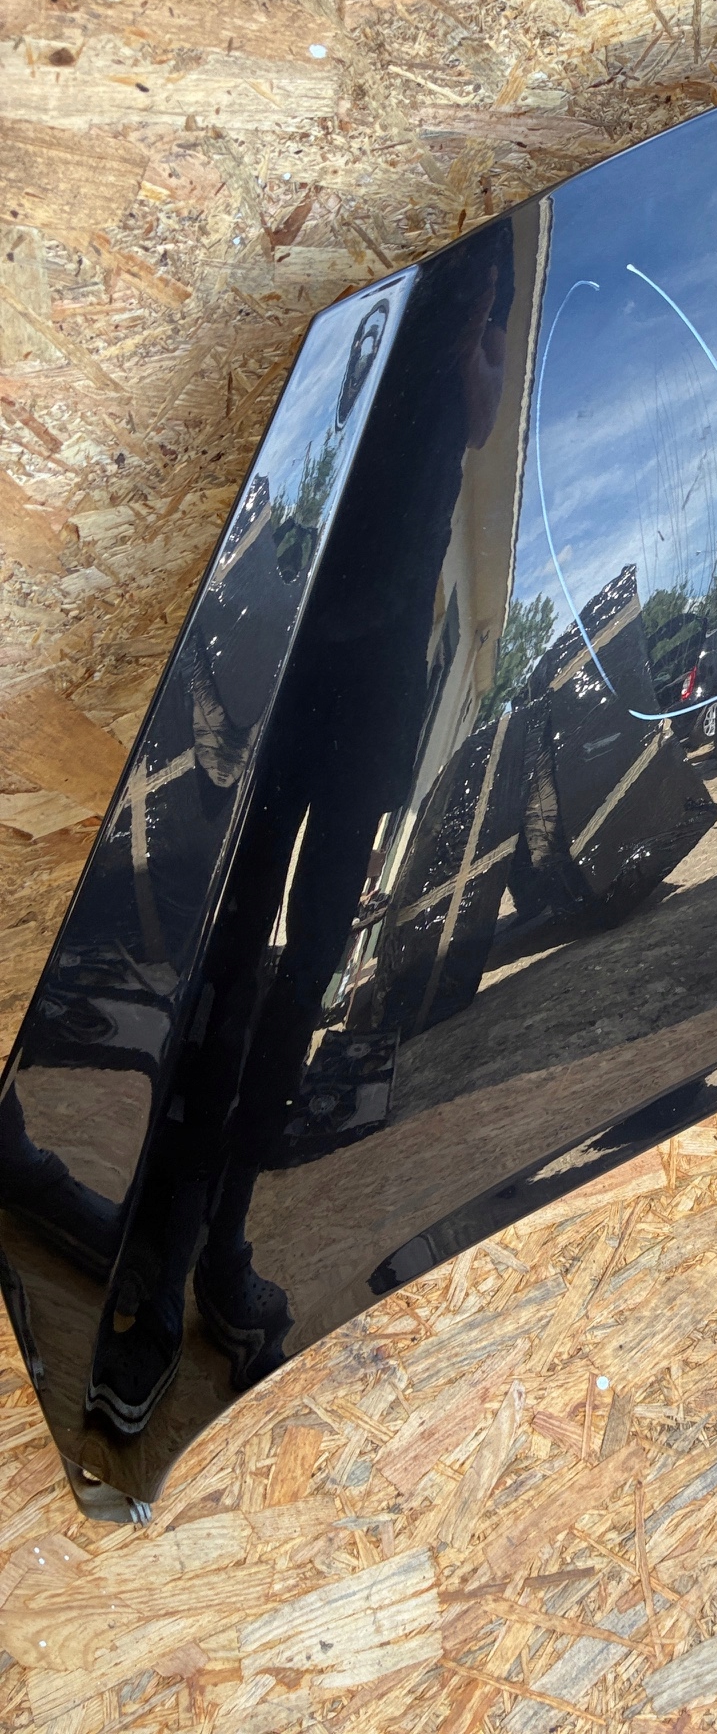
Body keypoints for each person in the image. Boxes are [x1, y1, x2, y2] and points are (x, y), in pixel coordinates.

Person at [84, 224, 514, 1436]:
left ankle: (220, 1247)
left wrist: (466, 339)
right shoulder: (391, 248)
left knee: (307, 964)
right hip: (304, 629)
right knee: (229, 949)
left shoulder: (484, 264)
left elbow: (483, 410)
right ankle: (159, 1262)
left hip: (379, 670)